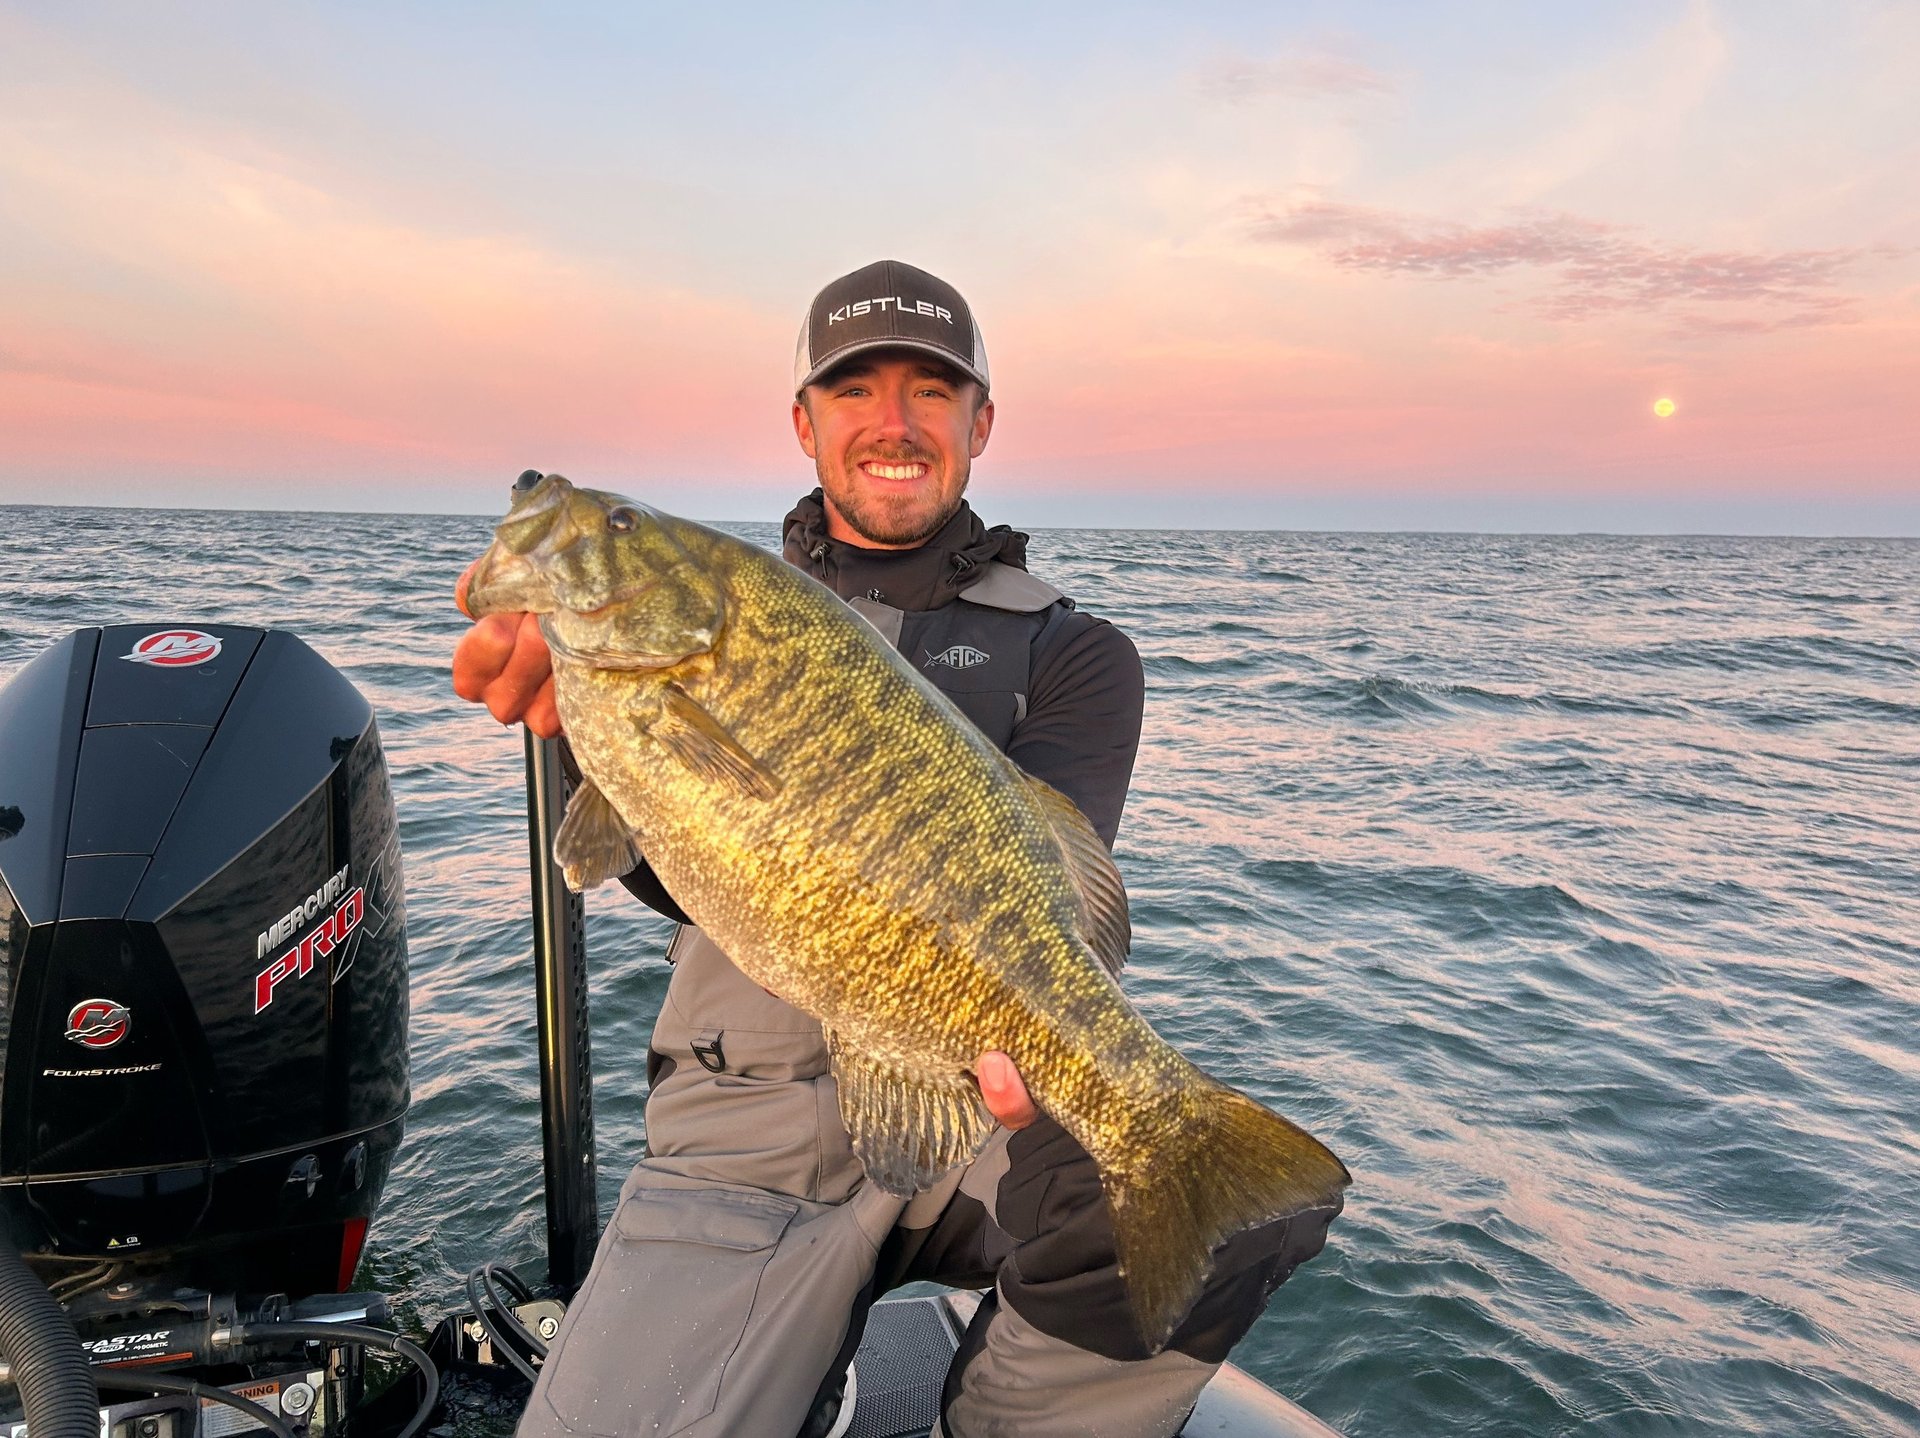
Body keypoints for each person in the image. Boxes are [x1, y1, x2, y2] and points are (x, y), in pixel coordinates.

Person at [452, 259, 1341, 1438]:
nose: (895, 423)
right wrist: (586, 749)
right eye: (855, 388)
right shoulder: (727, 610)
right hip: (741, 1115)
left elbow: (1045, 912)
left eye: (931, 389)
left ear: (981, 422)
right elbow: (689, 880)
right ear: (804, 422)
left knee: (1213, 1208)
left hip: (969, 1102)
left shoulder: (1080, 654)